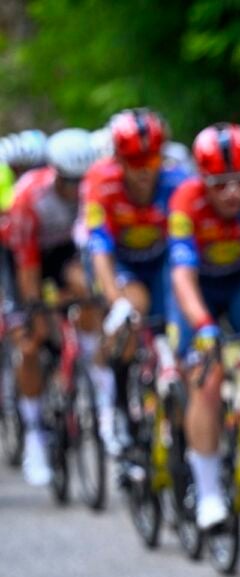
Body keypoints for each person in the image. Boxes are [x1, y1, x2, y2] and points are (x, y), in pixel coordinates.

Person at [167, 123, 240, 531]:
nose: (232, 193)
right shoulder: (185, 201)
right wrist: (203, 324)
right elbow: (180, 275)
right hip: (197, 288)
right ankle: (208, 491)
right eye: (219, 184)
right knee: (206, 378)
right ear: (201, 180)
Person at [85, 108, 190, 453]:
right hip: (123, 263)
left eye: (151, 158)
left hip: (162, 261)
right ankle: (118, 412)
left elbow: (185, 251)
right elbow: (99, 246)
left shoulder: (177, 181)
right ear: (119, 159)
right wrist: (115, 299)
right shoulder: (102, 182)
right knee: (132, 311)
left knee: (176, 334)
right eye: (133, 160)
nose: (143, 170)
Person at [7, 128, 98, 485]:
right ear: (55, 173)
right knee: (31, 339)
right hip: (22, 257)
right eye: (69, 182)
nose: (76, 190)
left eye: (82, 181)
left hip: (63, 254)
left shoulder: (92, 194)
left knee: (87, 291)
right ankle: (33, 434)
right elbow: (26, 267)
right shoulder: (29, 197)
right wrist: (34, 309)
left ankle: (89, 372)